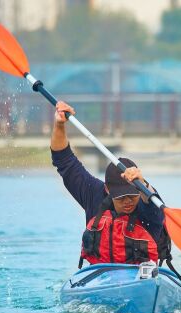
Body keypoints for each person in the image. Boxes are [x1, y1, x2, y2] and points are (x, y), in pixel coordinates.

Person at [50, 101, 167, 268]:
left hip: (141, 279)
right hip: (100, 278)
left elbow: (150, 198)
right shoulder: (95, 194)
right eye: (121, 197)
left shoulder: (150, 208)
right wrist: (59, 124)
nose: (128, 201)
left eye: (132, 196)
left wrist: (142, 183)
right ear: (108, 190)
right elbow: (63, 161)